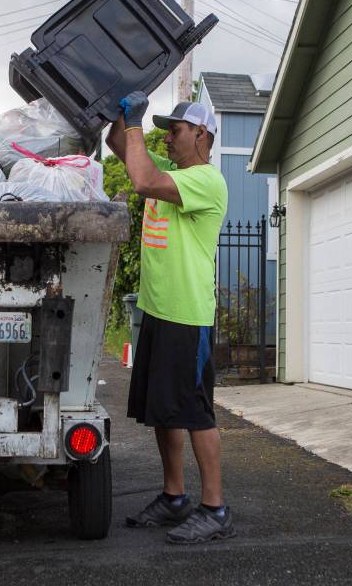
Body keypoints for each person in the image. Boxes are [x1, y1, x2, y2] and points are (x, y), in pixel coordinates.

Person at [106, 90, 233, 544]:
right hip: (157, 311)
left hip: (186, 315)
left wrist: (136, 120)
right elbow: (120, 147)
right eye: (163, 132)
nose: (167, 140)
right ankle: (174, 497)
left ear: (202, 134)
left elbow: (140, 179)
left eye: (175, 131)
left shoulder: (205, 180)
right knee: (165, 412)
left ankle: (215, 509)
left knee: (196, 412)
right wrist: (117, 114)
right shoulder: (170, 174)